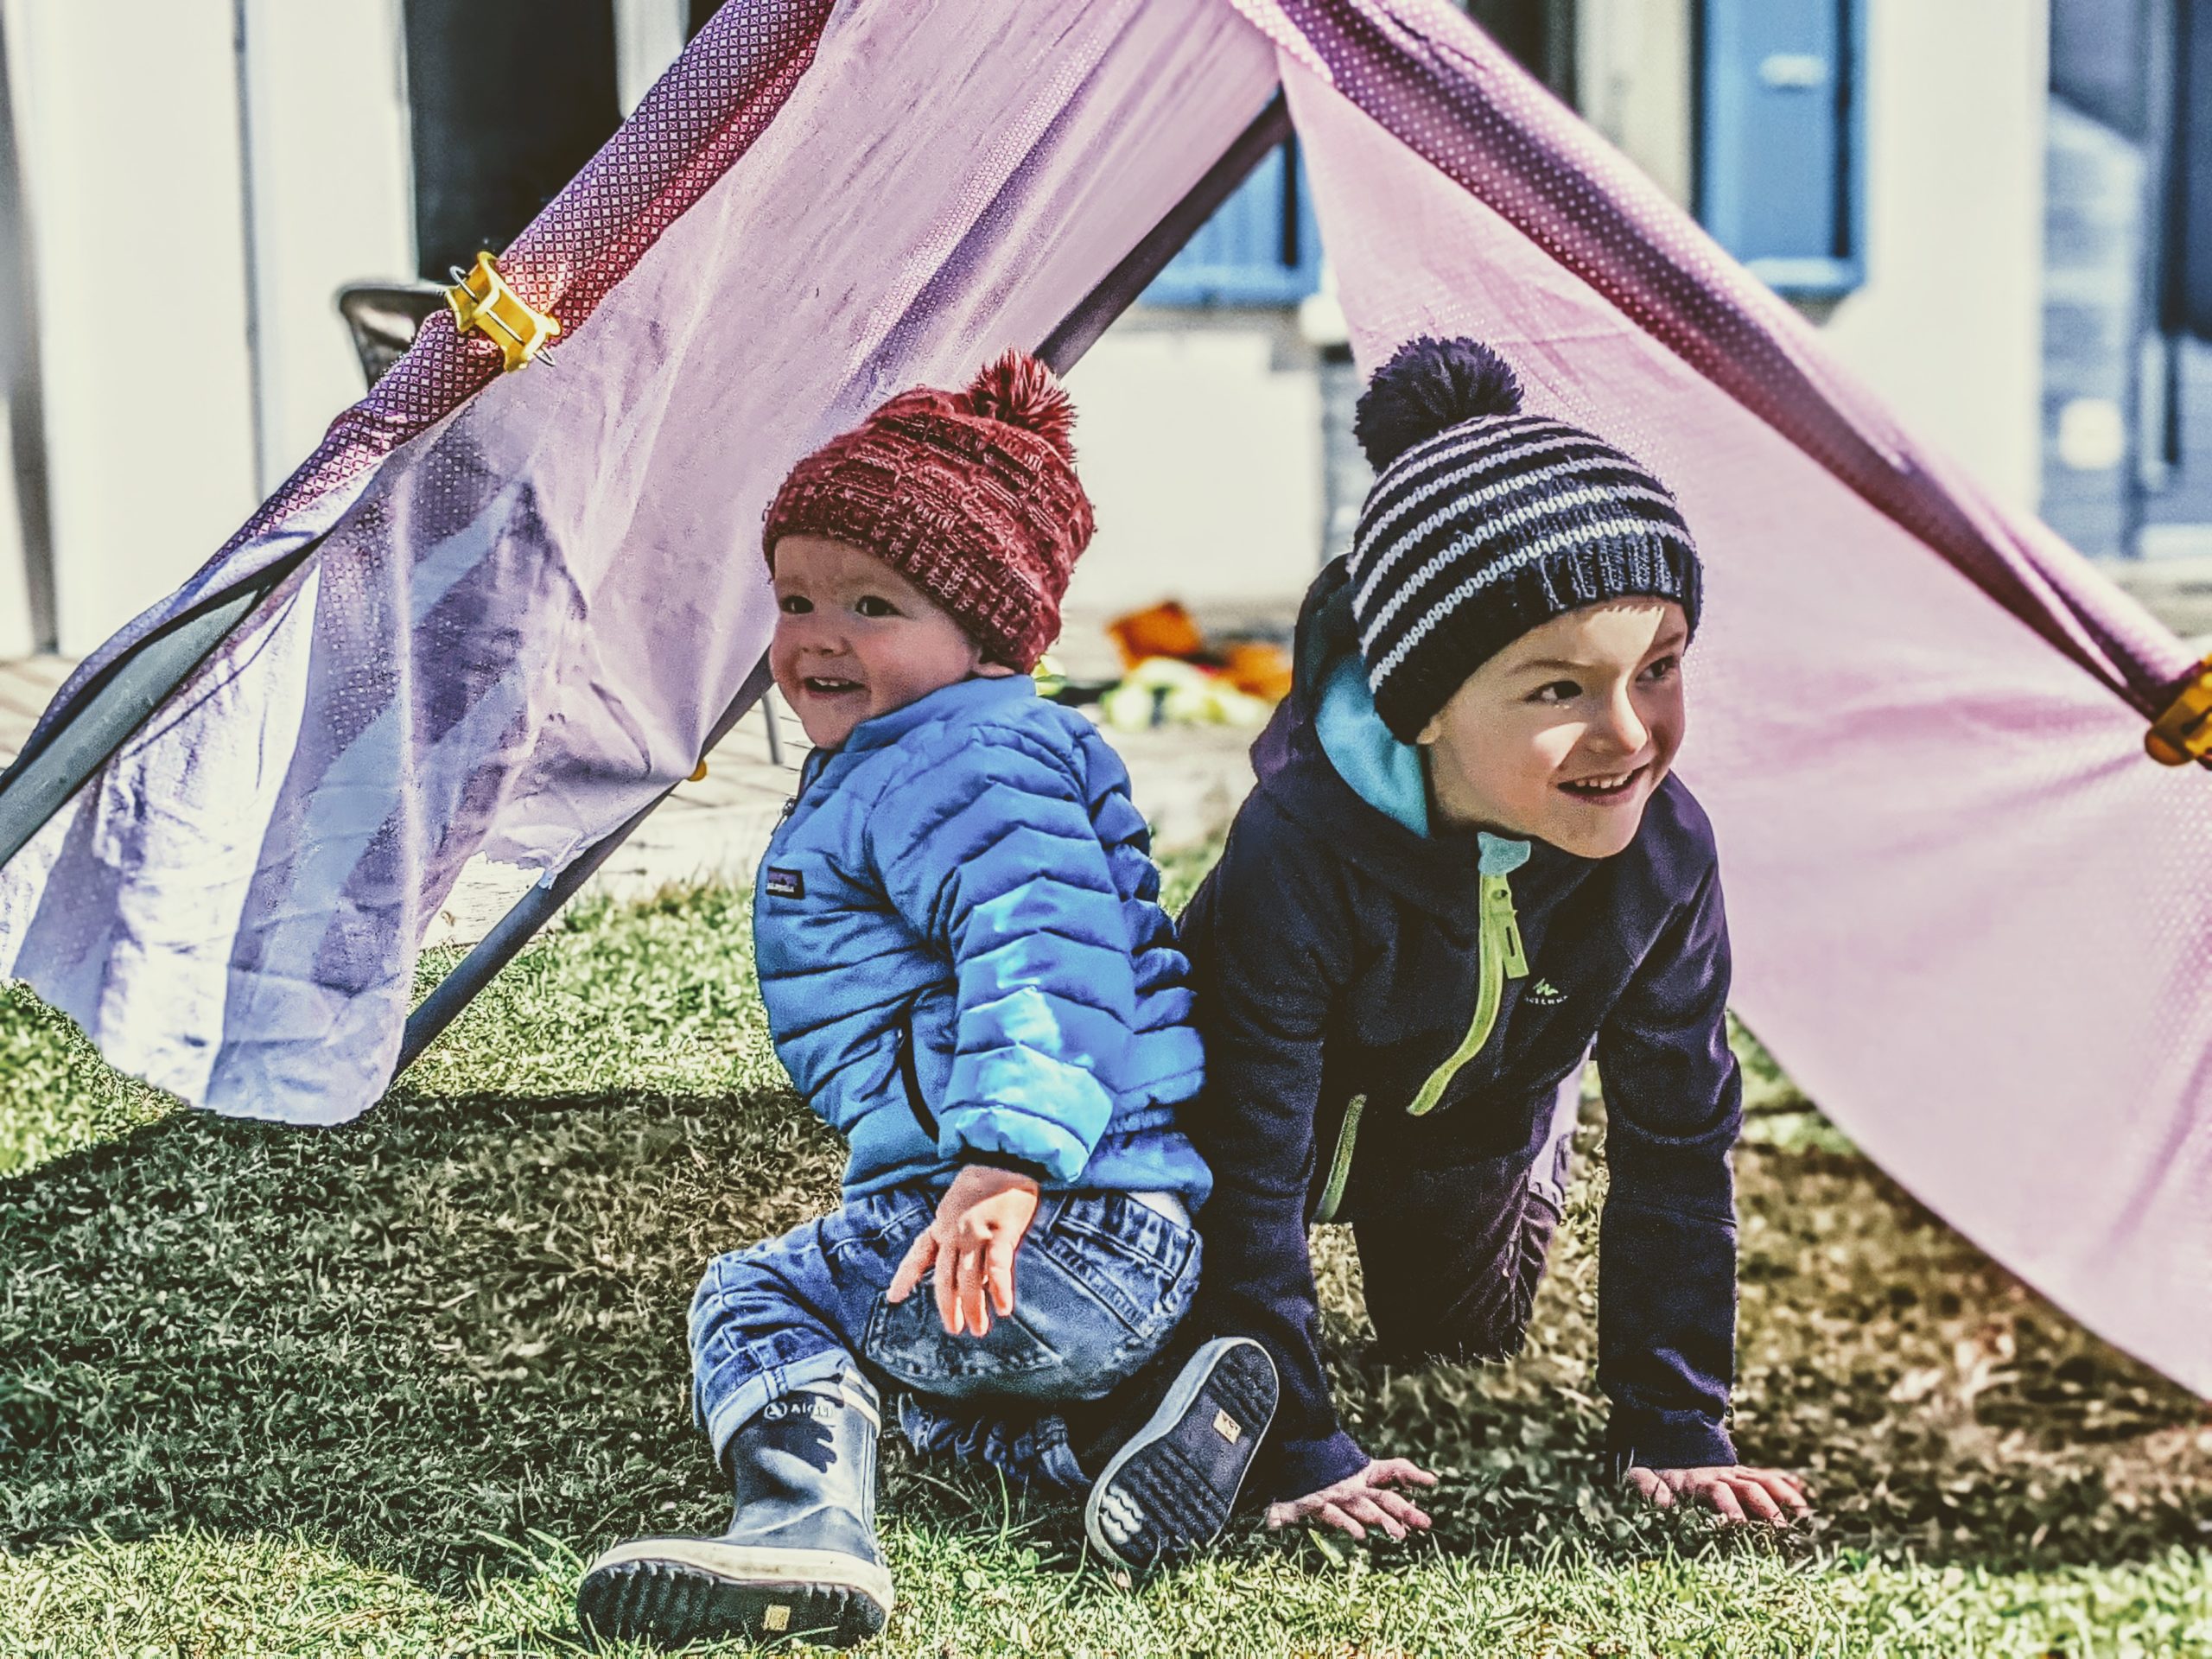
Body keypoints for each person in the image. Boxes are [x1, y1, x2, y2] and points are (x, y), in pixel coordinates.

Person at [574, 351, 1276, 1651]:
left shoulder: (962, 759)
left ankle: (799, 1528)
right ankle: (1108, 1444)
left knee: (760, 1299)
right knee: (920, 1372)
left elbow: (1048, 953)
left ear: (987, 632)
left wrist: (1008, 1157)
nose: (820, 636)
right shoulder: (949, 745)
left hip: (1051, 1216)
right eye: (795, 598)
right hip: (1121, 1246)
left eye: (874, 603)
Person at [1173, 335, 1812, 1544]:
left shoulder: (1663, 855)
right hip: (1265, 1115)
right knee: (1156, 1294)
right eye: (1557, 690)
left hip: (1466, 1127)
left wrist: (1676, 1420)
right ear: (1423, 709)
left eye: (1660, 668)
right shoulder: (1298, 851)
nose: (1627, 732)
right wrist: (1293, 1437)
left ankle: (1536, 1129)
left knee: (1455, 1341)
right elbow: (1243, 1160)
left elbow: (1685, 1135)